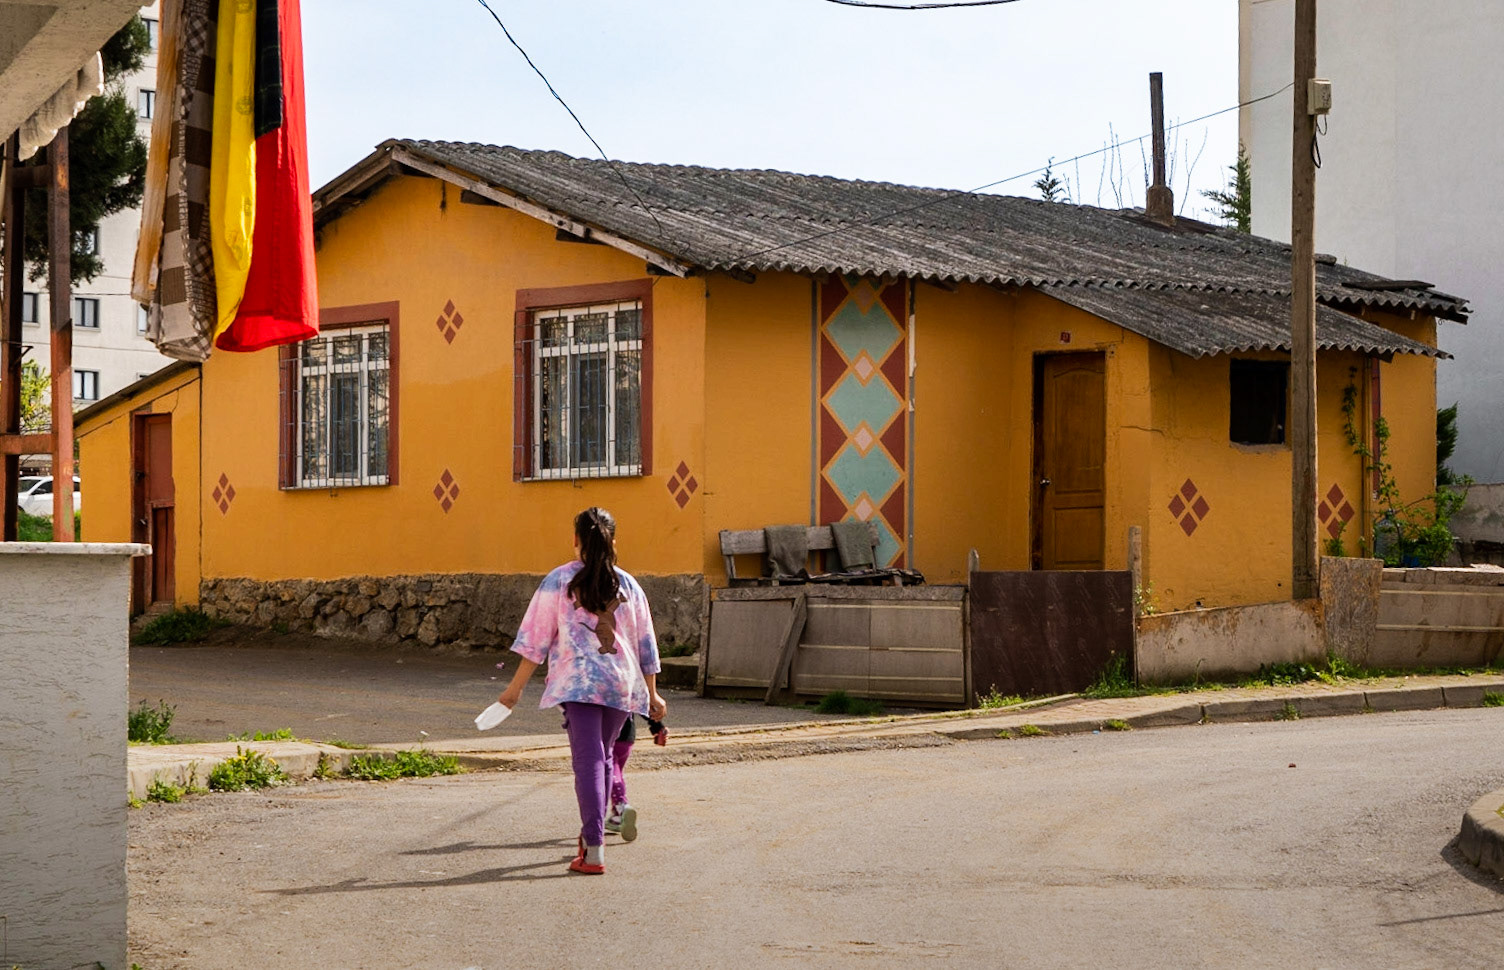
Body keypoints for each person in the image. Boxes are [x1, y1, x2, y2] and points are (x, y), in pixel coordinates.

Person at [496, 507, 666, 875]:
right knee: (604, 758)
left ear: (576, 541)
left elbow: (534, 642)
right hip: (621, 685)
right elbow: (645, 644)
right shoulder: (629, 585)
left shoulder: (559, 581)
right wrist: (653, 695)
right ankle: (593, 841)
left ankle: (593, 850)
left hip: (579, 684)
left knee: (588, 762)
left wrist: (513, 691)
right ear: (613, 542)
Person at [606, 713, 667, 842]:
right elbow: (643, 705)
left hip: (610, 736)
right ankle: (616, 817)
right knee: (618, 774)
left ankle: (622, 806)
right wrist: (657, 726)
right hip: (627, 738)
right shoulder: (628, 691)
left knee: (610, 772)